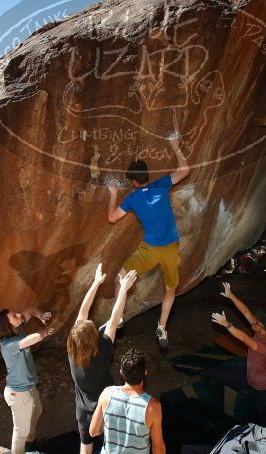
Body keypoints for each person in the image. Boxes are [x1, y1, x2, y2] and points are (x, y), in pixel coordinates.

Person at [107, 135, 190, 349]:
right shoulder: (161, 185)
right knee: (171, 290)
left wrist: (113, 193)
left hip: (149, 250)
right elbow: (185, 171)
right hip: (171, 249)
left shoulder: (133, 198)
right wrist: (174, 145)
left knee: (121, 277)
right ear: (146, 176)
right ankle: (162, 326)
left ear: (134, 182)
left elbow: (112, 218)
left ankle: (120, 315)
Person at [68, 263, 138, 454]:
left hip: (83, 410)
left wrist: (97, 282)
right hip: (105, 410)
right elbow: (115, 319)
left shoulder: (72, 350)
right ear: (93, 339)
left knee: (86, 445)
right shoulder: (102, 351)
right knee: (113, 446)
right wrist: (123, 288)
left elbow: (83, 312)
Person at [211, 282, 266, 427]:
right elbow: (246, 312)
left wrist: (226, 324)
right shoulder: (261, 332)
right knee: (254, 416)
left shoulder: (265, 346)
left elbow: (244, 339)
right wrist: (231, 296)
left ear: (264, 330)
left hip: (263, 389)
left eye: (258, 323)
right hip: (253, 384)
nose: (254, 322)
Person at [0, 305, 53, 454]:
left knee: (37, 412)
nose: (19, 315)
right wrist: (44, 332)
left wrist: (40, 315)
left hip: (30, 387)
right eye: (14, 316)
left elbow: (30, 310)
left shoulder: (17, 329)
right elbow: (31, 340)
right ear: (8, 325)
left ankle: (30, 443)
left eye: (15, 313)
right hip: (18, 393)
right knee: (20, 431)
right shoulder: (7, 344)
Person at [89, 348, 165, 454]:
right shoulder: (153, 407)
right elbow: (158, 449)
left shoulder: (107, 394)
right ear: (145, 372)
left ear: (121, 372)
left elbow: (93, 431)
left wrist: (109, 426)